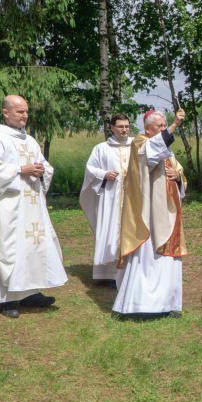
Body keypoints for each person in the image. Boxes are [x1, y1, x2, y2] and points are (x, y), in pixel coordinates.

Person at [0, 95, 67, 318]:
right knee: (5, 248)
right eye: (20, 112)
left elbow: (44, 164)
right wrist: (20, 170)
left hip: (31, 205)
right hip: (7, 205)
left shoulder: (30, 140)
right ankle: (4, 298)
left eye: (26, 111)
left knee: (31, 247)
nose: (25, 116)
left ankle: (30, 291)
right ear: (6, 113)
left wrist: (41, 170)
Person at [112, 108, 187, 317]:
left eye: (164, 126)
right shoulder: (140, 143)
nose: (163, 129)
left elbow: (178, 170)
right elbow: (151, 155)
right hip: (148, 214)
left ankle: (169, 303)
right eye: (160, 126)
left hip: (168, 211)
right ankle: (140, 305)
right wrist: (174, 126)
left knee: (168, 257)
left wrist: (178, 177)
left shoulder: (165, 147)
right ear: (147, 128)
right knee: (148, 256)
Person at [79, 114, 134, 287]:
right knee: (111, 230)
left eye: (126, 126)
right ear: (112, 128)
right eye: (120, 126)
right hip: (111, 197)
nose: (124, 130)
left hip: (133, 199)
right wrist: (104, 174)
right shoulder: (102, 148)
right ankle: (108, 273)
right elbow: (90, 169)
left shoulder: (137, 146)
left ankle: (130, 269)